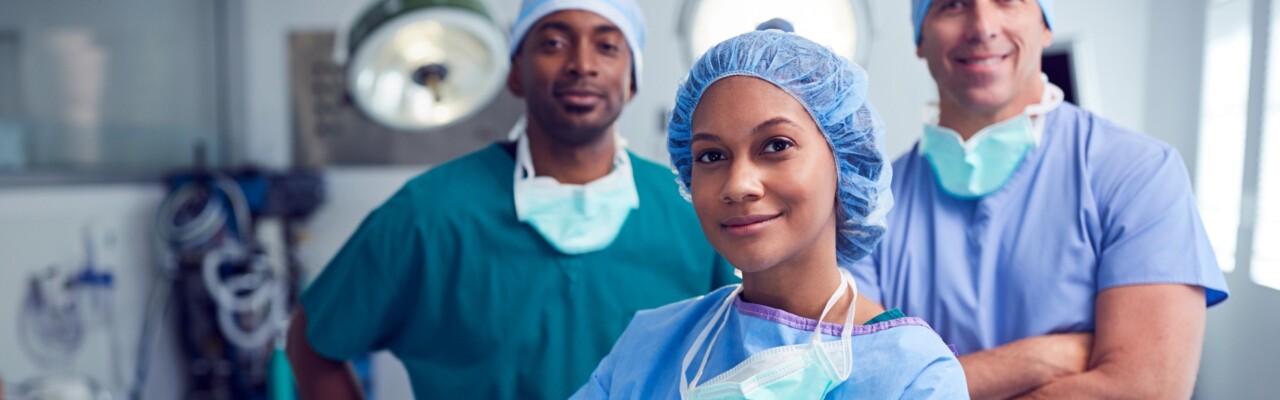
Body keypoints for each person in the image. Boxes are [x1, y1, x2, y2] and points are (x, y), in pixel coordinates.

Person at [285, 0, 737, 398]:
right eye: (554, 43)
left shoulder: (690, 209)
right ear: (516, 74)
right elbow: (312, 340)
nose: (582, 63)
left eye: (607, 46)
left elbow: (741, 354)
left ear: (632, 79)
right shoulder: (429, 214)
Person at [849, 0, 1231, 398]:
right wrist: (1041, 358)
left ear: (1045, 25)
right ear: (920, 38)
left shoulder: (1139, 173)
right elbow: (859, 388)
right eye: (952, 5)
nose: (982, 27)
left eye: (1007, 2)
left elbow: (1146, 390)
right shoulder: (866, 208)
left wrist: (926, 383)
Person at [573, 30, 969, 399]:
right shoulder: (648, 346)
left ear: (845, 160)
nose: (738, 184)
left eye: (777, 145)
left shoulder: (912, 374)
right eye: (711, 155)